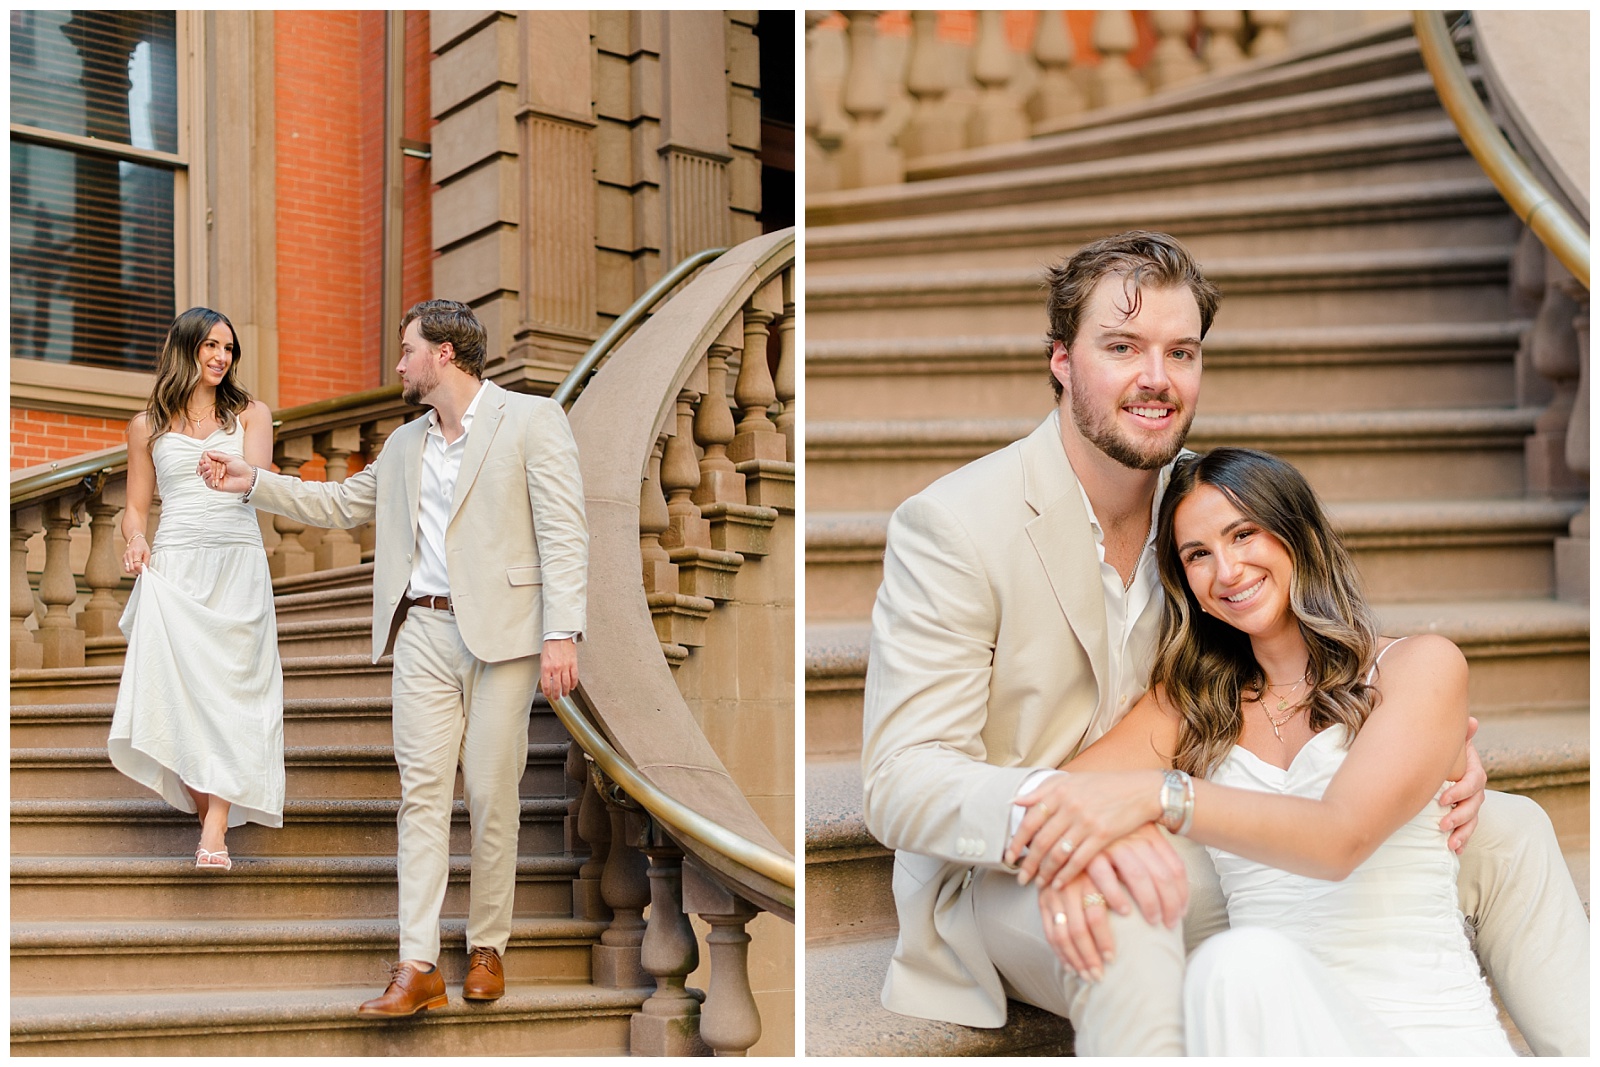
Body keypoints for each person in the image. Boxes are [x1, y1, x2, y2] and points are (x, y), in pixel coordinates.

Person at [859, 230, 1588, 1055]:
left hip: (1170, 813)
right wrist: (1078, 827)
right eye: (1122, 347)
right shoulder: (955, 523)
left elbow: (1320, 642)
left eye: (1181, 351)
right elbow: (899, 778)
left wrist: (1423, 741)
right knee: (1129, 898)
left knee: (1508, 826)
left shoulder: (1201, 500)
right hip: (1014, 856)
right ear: (1061, 358)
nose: (1156, 379)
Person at [1023, 447, 1589, 1054]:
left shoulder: (1418, 666)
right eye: (1198, 555)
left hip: (1426, 1036)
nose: (1228, 570)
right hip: (1279, 1023)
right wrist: (1074, 860)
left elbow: (1338, 838)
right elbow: (1048, 804)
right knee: (1238, 969)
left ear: (1297, 532)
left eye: (1244, 533)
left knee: (1237, 965)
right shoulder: (1191, 705)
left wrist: (1162, 796)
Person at [198, 299, 588, 1018]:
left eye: (407, 349)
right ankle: (417, 963)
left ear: (443, 354)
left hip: (505, 634)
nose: (400, 363)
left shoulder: (532, 421)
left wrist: (562, 630)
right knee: (422, 797)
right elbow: (343, 502)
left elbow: (564, 530)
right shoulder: (407, 443)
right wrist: (252, 482)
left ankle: (487, 945)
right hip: (423, 633)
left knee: (494, 794)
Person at [110, 307, 284, 871]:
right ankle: (209, 801)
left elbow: (262, 485)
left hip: (237, 561)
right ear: (185, 349)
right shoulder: (147, 426)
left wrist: (233, 474)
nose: (220, 357)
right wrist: (136, 541)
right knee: (179, 691)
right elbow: (135, 510)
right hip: (177, 564)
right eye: (210, 345)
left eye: (228, 348)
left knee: (235, 689)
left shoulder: (252, 414)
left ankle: (215, 822)